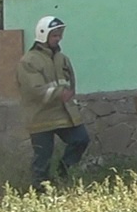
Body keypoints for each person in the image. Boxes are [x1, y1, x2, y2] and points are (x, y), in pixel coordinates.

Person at [17, 16, 88, 187]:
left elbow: (70, 82)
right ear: (42, 35)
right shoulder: (29, 61)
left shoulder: (62, 58)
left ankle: (62, 175)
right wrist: (59, 94)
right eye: (54, 35)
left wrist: (70, 95)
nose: (58, 38)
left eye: (59, 35)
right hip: (40, 117)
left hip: (65, 113)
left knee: (81, 139)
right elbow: (34, 89)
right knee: (43, 156)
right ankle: (39, 190)